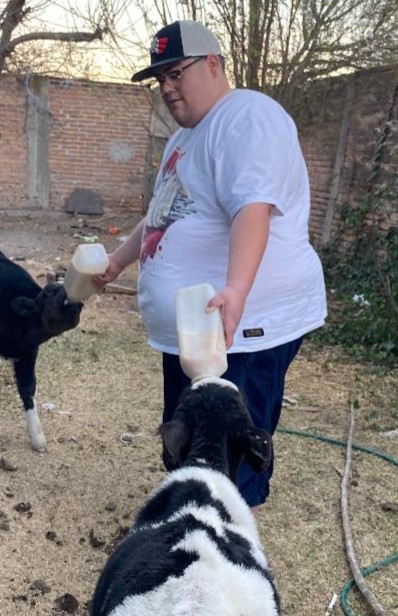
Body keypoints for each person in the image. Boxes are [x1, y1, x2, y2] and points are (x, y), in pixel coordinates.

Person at [93, 20, 327, 512]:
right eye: (160, 80)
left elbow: (253, 208)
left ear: (213, 64)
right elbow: (160, 215)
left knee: (232, 459)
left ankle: (225, 549)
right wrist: (118, 261)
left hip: (242, 329)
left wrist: (238, 287)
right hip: (198, 333)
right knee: (189, 442)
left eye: (176, 72)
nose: (168, 88)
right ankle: (190, 523)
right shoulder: (184, 140)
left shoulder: (246, 117)